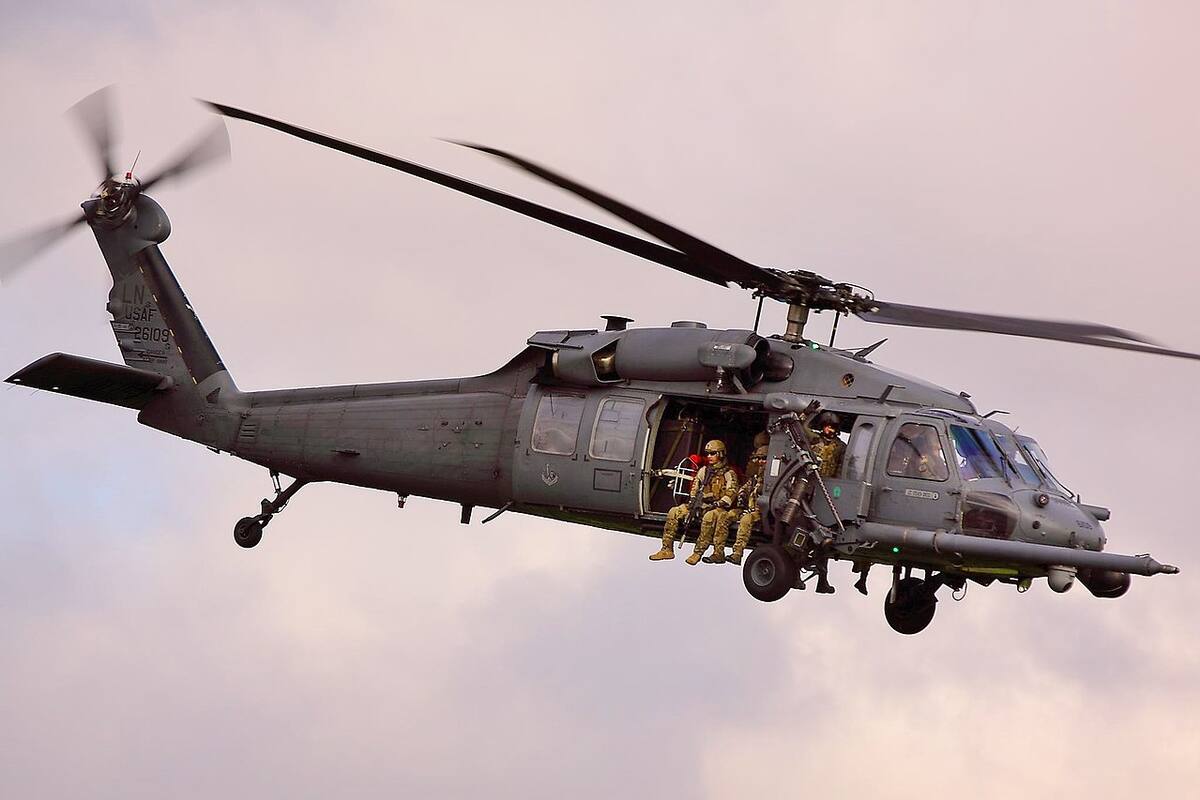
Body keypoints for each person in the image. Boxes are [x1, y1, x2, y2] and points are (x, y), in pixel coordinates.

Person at [650, 439, 739, 561]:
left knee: (709, 518)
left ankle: (698, 552)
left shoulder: (729, 473)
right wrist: (693, 501)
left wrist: (717, 503)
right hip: (700, 504)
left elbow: (732, 492)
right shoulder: (704, 471)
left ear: (721, 454)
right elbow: (695, 486)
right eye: (707, 453)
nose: (709, 456)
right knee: (674, 512)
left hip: (717, 508)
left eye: (713, 453)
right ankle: (667, 549)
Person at [720, 444, 768, 566]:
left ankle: (737, 553)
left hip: (761, 513)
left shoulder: (772, 481)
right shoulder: (755, 478)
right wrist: (741, 496)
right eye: (759, 458)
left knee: (746, 520)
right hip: (747, 509)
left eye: (764, 458)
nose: (761, 462)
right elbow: (744, 488)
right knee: (726, 516)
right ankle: (718, 551)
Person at [810, 411, 846, 479]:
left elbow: (841, 468)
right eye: (827, 425)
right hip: (810, 477)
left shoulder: (840, 446)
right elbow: (802, 430)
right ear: (822, 426)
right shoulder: (814, 439)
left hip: (827, 481)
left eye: (832, 426)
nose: (829, 428)